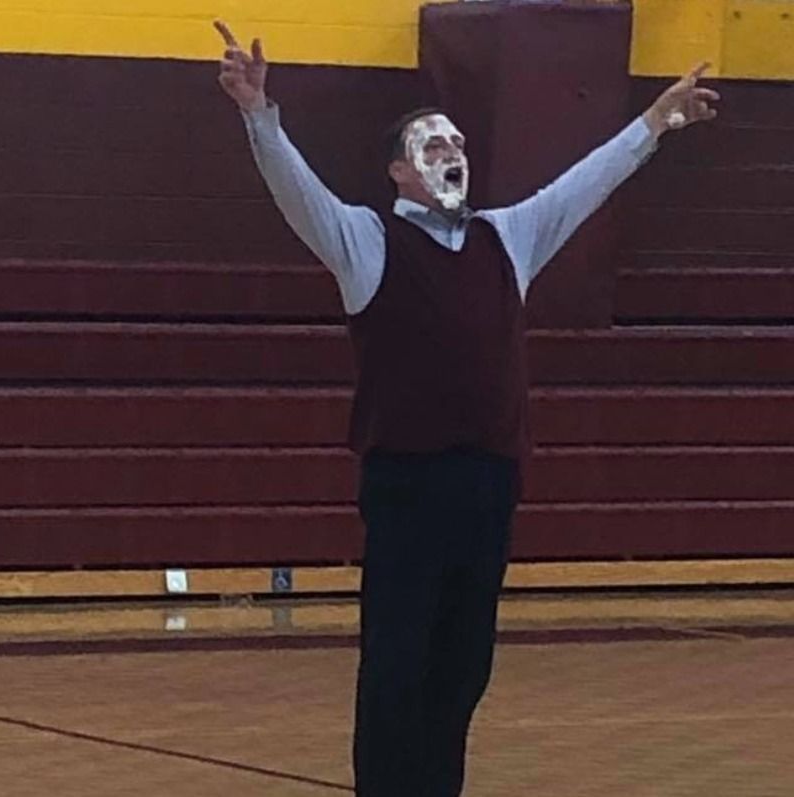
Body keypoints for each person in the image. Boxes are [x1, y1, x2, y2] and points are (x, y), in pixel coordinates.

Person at [214, 19, 719, 797]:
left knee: (462, 667)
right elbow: (298, 195)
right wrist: (259, 114)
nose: (450, 152)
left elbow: (583, 186)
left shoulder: (507, 237)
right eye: (430, 144)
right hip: (407, 487)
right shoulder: (365, 240)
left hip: (487, 486)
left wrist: (652, 124)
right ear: (398, 172)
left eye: (454, 141)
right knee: (395, 665)